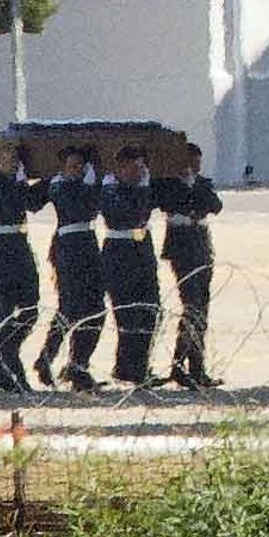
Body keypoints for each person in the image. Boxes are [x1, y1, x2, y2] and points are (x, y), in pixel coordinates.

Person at [35, 146, 105, 392]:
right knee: (70, 307)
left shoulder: (83, 185)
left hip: (87, 244)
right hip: (68, 247)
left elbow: (95, 209)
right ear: (63, 167)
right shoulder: (59, 186)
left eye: (80, 166)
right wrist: (90, 185)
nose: (76, 170)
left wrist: (92, 182)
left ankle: (78, 364)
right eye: (72, 166)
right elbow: (80, 209)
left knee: (96, 309)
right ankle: (46, 359)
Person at [156, 142, 225, 389]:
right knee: (191, 305)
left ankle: (196, 366)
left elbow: (215, 206)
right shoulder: (170, 184)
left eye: (197, 162)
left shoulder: (202, 183)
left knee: (201, 308)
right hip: (182, 246)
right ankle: (178, 364)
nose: (195, 167)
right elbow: (170, 203)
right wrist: (187, 188)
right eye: (191, 162)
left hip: (201, 245)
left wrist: (194, 185)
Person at [0, 139, 48, 393]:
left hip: (20, 245)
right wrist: (21, 181)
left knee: (30, 309)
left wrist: (49, 180)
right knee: (6, 312)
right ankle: (10, 372)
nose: (11, 162)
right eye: (6, 158)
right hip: (2, 249)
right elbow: (14, 202)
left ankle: (8, 355)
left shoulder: (15, 183)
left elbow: (33, 203)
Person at [99, 145, 166, 387]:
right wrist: (143, 189)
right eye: (134, 167)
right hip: (119, 253)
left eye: (142, 167)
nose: (138, 172)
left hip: (142, 250)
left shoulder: (142, 187)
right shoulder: (109, 189)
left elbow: (150, 210)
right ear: (120, 167)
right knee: (127, 313)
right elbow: (125, 214)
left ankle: (140, 366)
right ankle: (127, 368)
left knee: (150, 309)